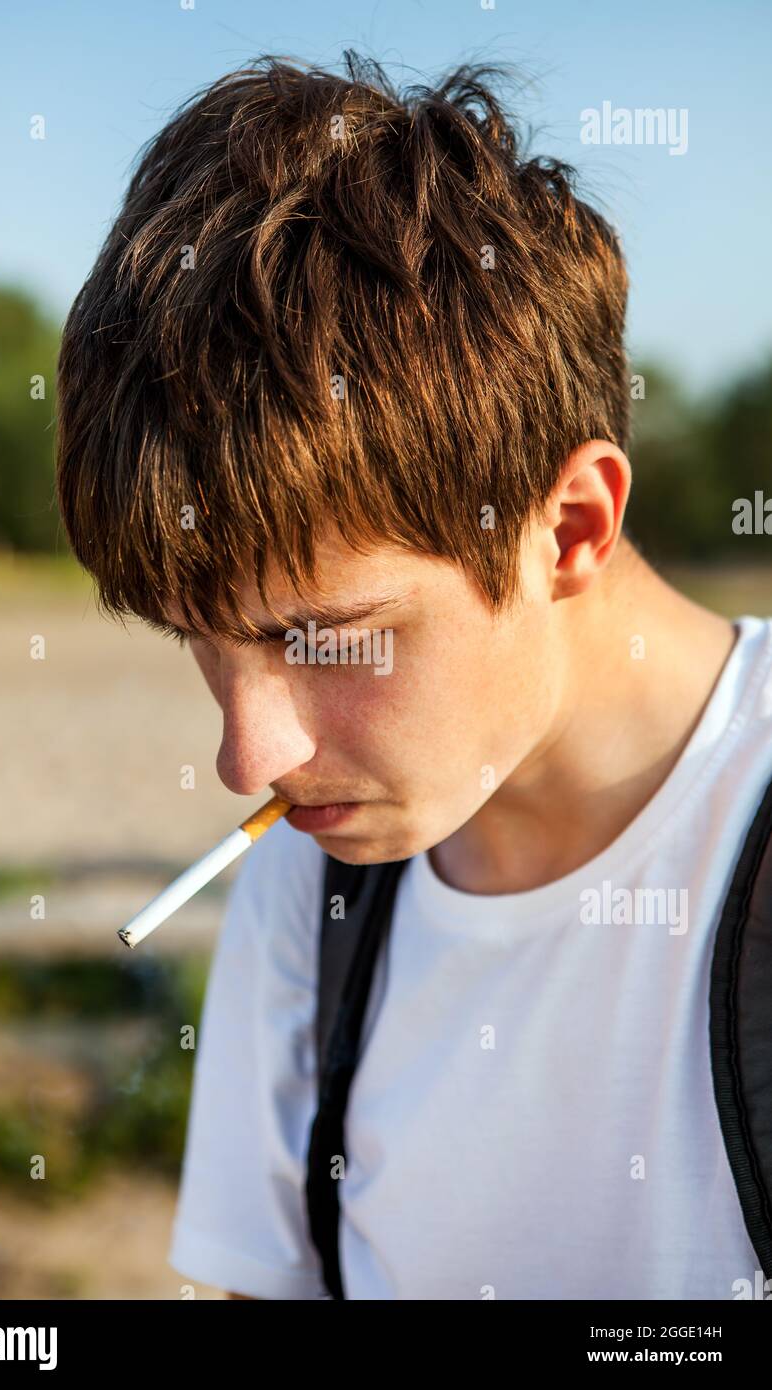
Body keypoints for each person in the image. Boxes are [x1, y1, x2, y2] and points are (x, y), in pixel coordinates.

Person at [54, 52, 772, 1299]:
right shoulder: (319, 888)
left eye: (319, 637)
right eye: (198, 641)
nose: (247, 757)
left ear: (568, 528)